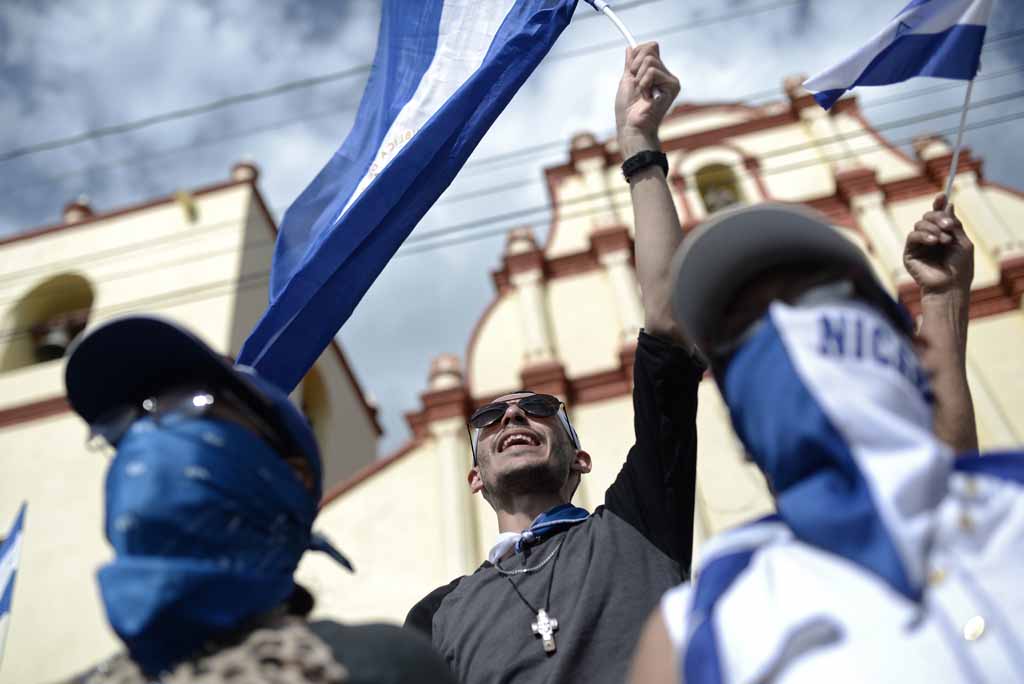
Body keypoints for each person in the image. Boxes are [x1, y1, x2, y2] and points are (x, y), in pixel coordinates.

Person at [404, 44, 706, 684]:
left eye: (541, 409)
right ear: (474, 477)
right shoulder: (433, 618)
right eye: (489, 417)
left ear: (581, 462)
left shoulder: (638, 522)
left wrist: (640, 147)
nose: (512, 411)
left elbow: (670, 326)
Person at [627, 200, 1024, 683]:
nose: (785, 330)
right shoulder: (697, 629)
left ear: (914, 351)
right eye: (742, 331)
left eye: (817, 295)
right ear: (738, 430)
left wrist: (942, 301)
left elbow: (938, 462)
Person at [57, 315, 458, 684]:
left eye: (190, 405)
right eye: (125, 427)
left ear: (292, 474)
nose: (146, 437)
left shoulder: (379, 665)